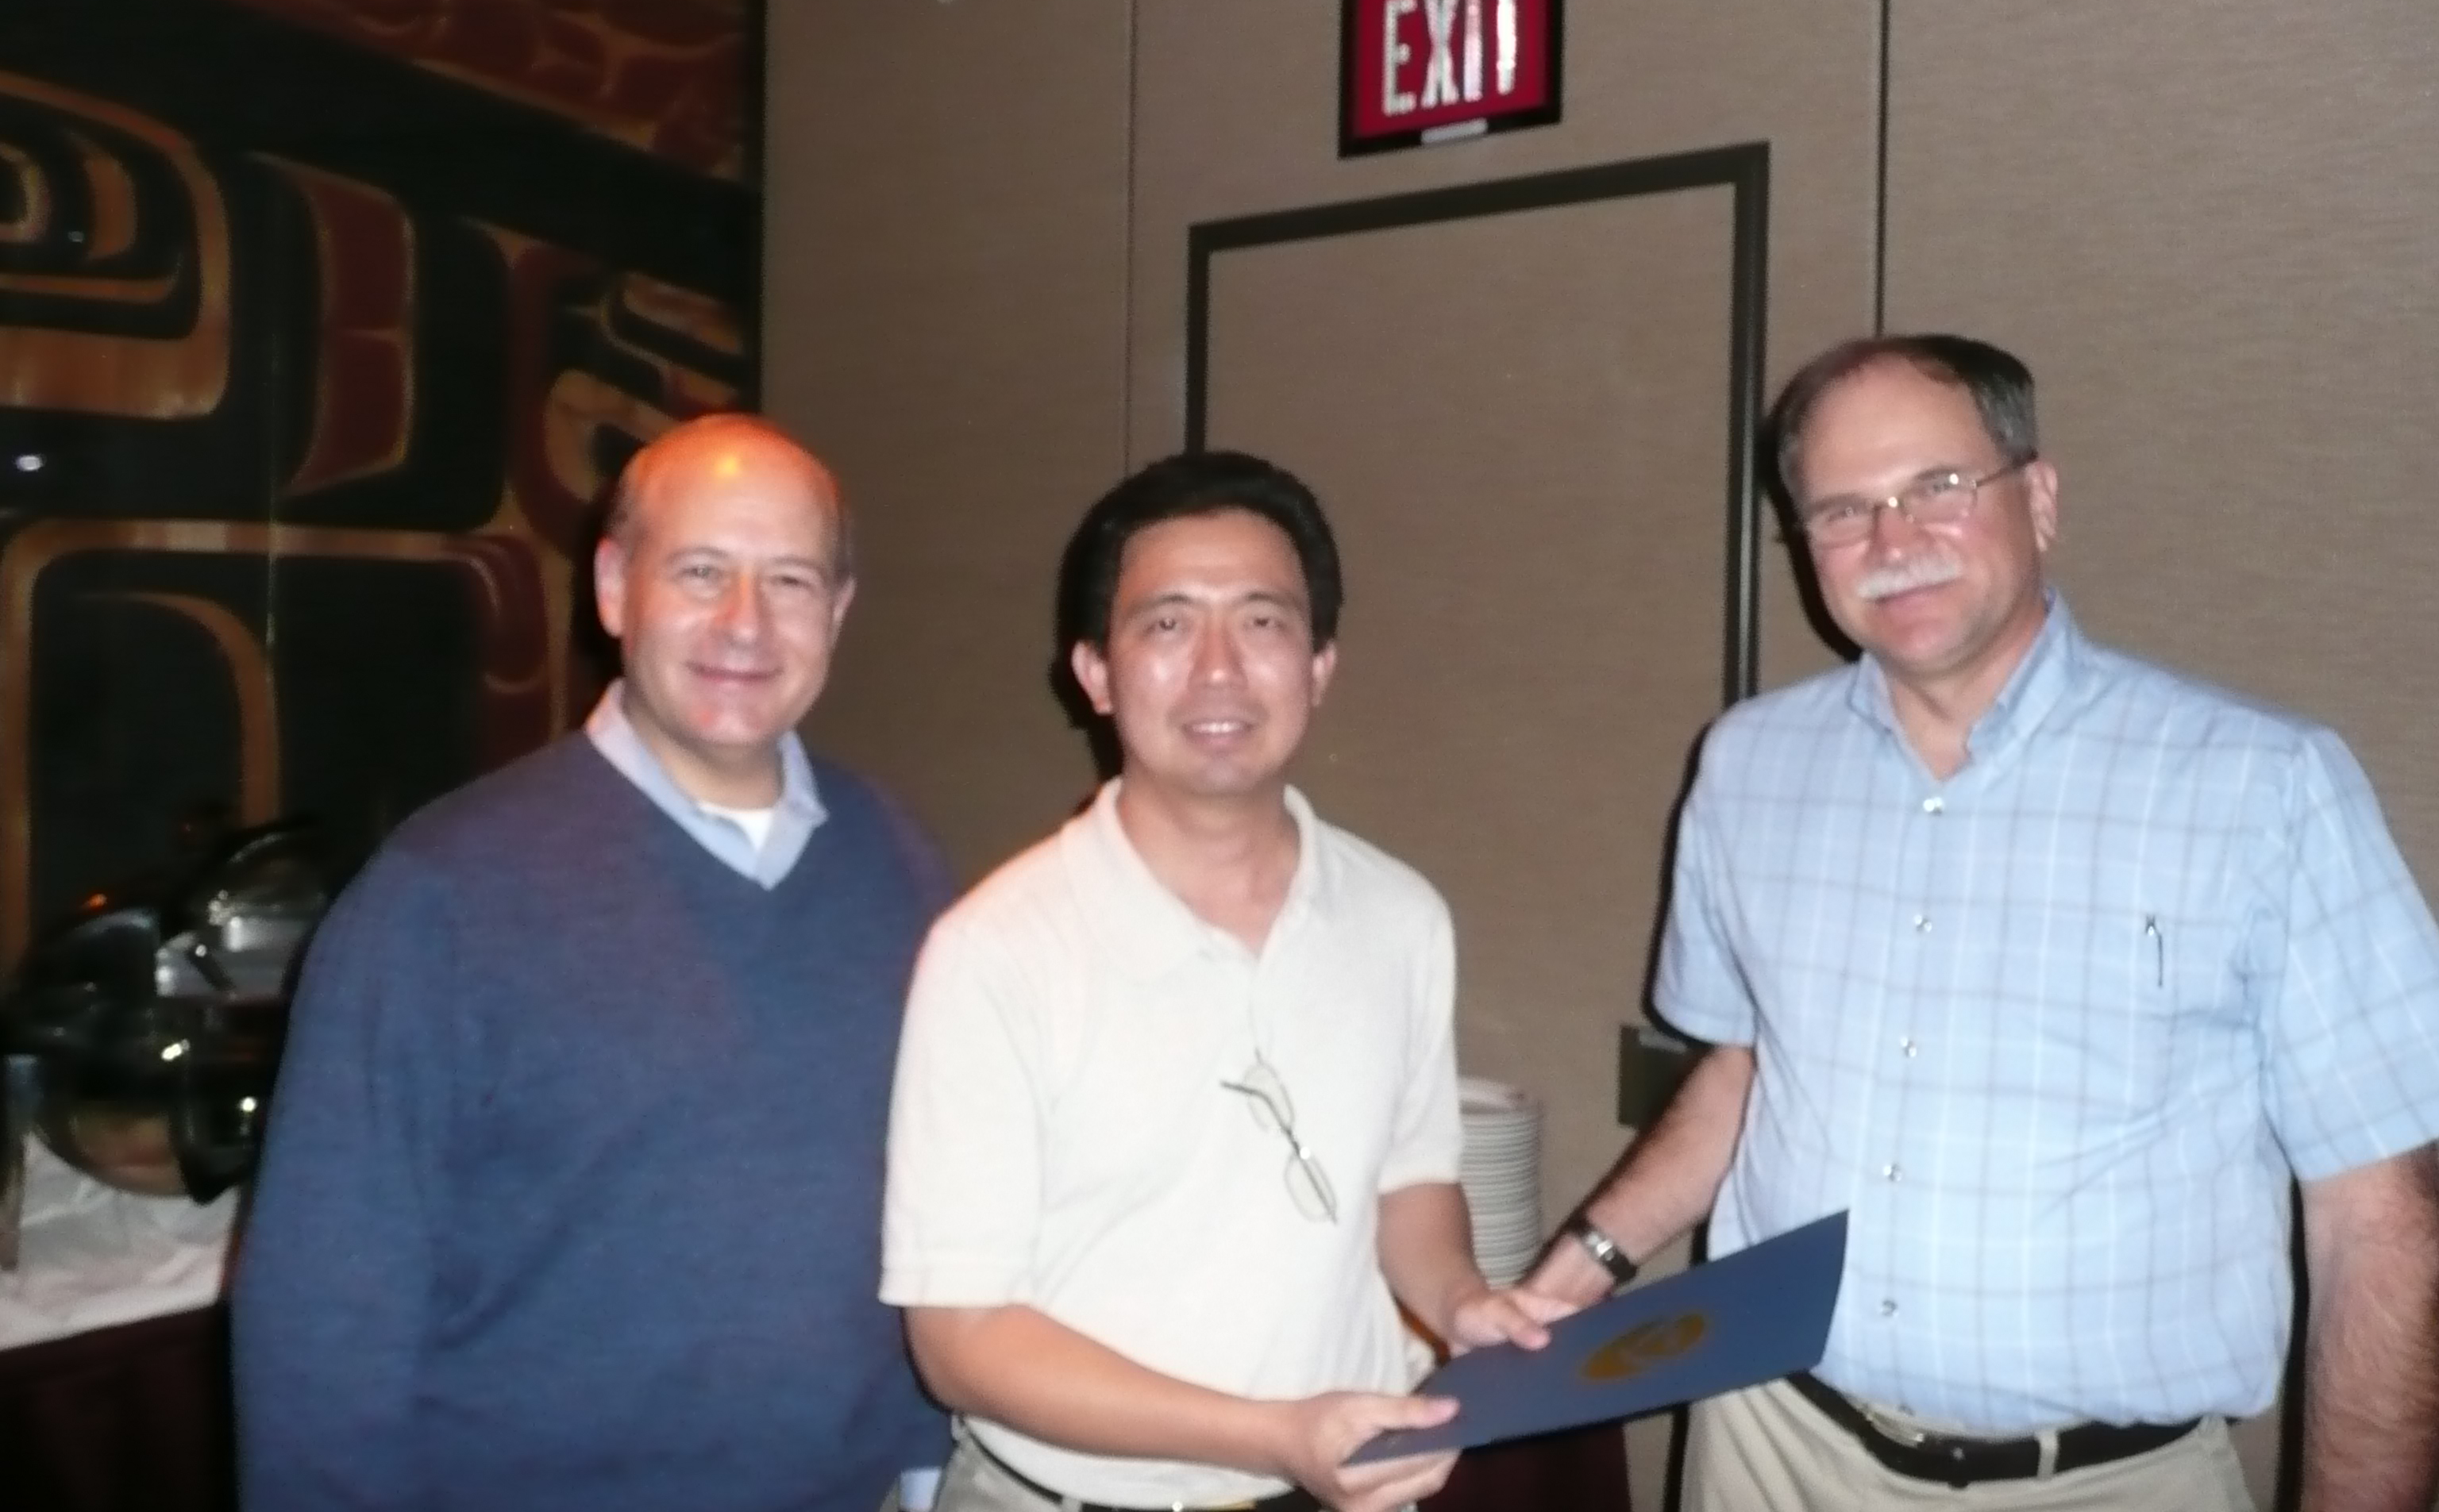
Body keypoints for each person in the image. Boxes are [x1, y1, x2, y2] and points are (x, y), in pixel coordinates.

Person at [1530, 334, 2439, 1511]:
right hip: (1767, 1447)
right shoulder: (1747, 765)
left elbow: (2382, 1215)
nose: (1892, 542)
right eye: (1842, 512)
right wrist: (1572, 1277)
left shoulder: (2261, 787)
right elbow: (1746, 1068)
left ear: (2040, 498)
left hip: (2096, 1485)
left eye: (1939, 487)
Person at [233, 414, 951, 1512]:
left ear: (838, 611)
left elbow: (939, 1212)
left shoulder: (898, 863)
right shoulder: (440, 894)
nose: (745, 622)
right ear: (615, 589)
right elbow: (325, 1313)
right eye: (701, 571)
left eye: (791, 581)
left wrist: (928, 1464)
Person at [880, 451, 1563, 1512]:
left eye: (1262, 622)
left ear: (1319, 666)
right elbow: (959, 1339)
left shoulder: (1401, 916)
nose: (1218, 670)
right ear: (1095, 673)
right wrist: (1276, 1437)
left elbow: (1409, 1179)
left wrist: (1458, 1297)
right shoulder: (995, 951)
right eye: (1167, 624)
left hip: (1347, 1483)